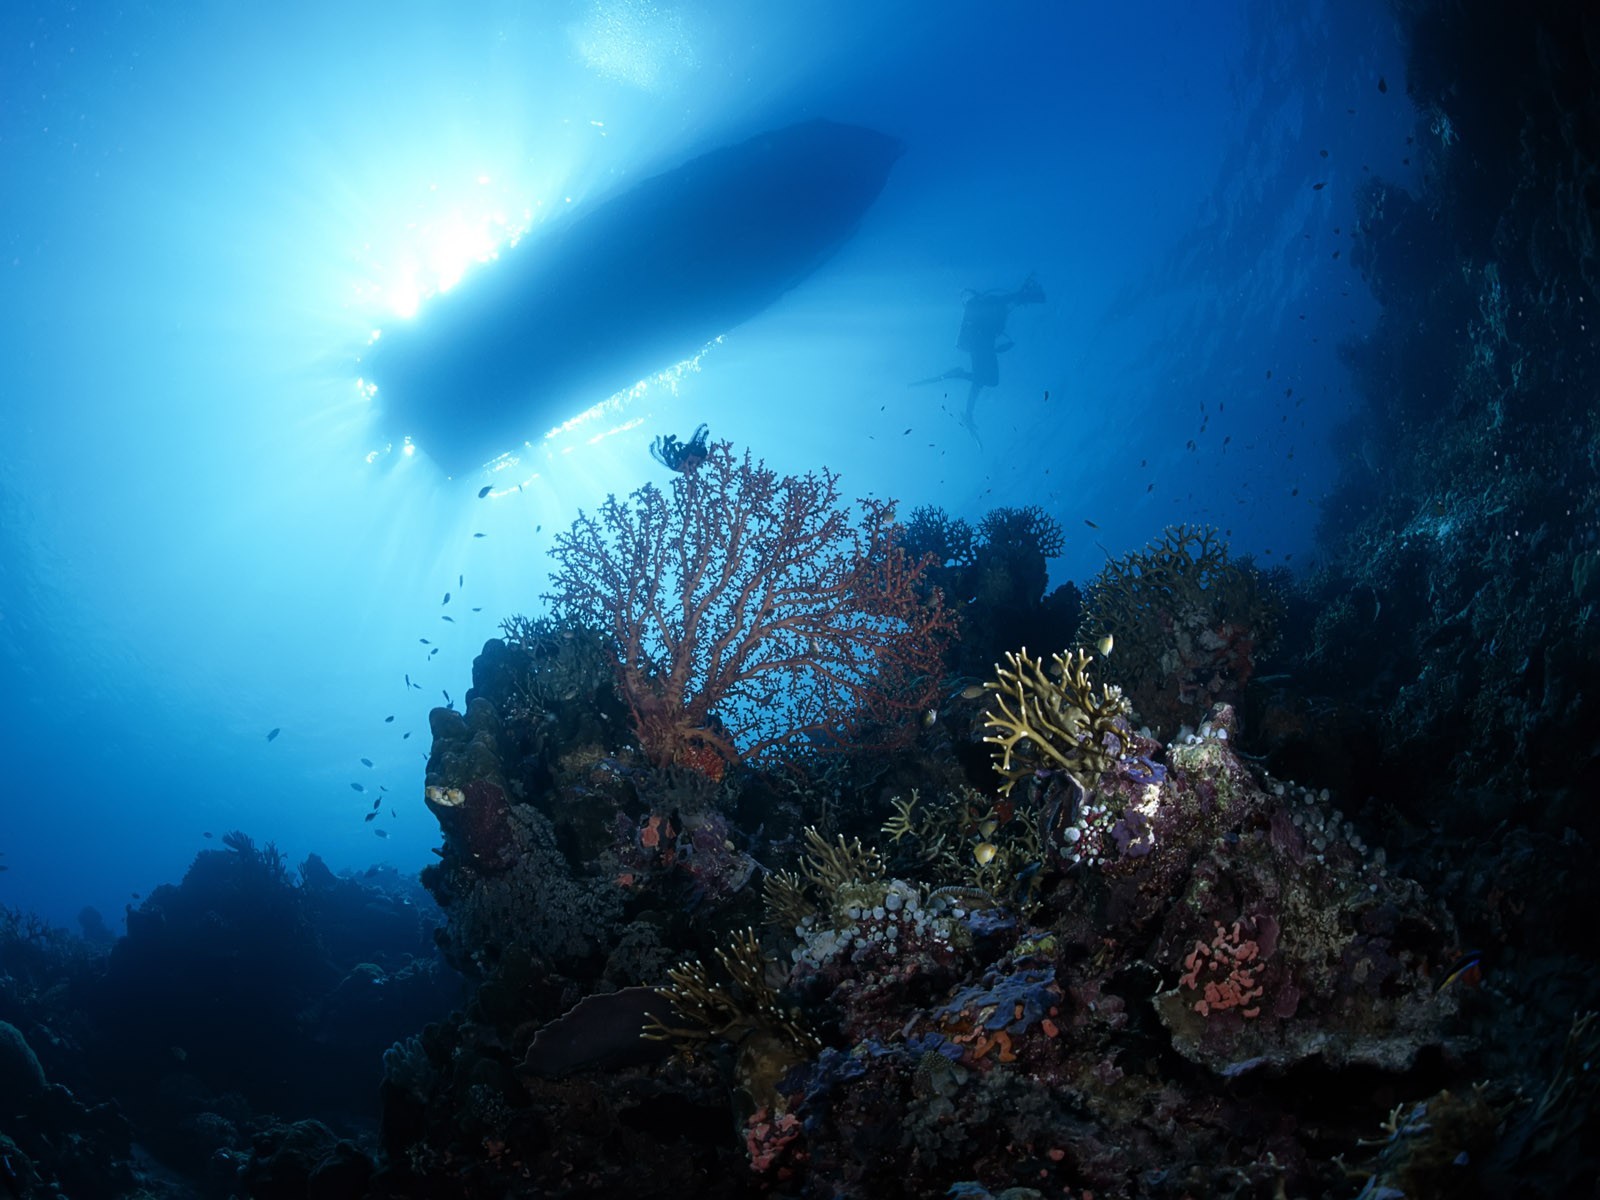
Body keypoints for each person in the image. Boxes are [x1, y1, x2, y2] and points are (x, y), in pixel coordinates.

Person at [914, 274, 1045, 439]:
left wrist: (969, 413)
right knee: (989, 380)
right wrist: (1027, 294)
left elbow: (1013, 300)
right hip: (982, 344)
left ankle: (965, 402)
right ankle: (958, 376)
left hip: (980, 345)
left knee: (985, 379)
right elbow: (1013, 298)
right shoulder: (993, 302)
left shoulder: (988, 307)